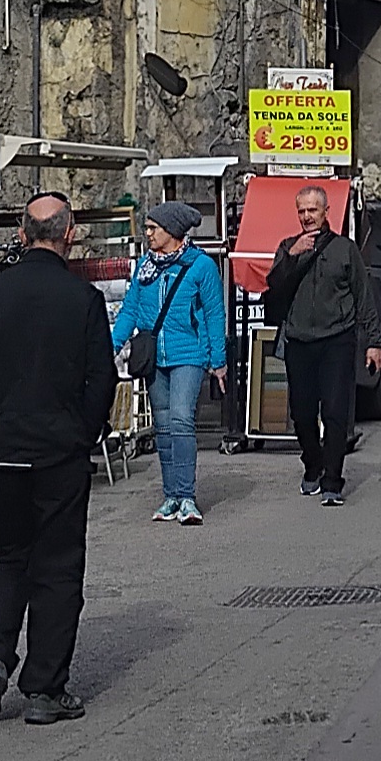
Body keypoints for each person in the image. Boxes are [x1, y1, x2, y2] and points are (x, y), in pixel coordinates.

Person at [0, 192, 116, 725]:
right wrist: (82, 433)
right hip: (58, 452)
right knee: (57, 566)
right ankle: (45, 688)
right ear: (69, 234)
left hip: (3, 450)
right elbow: (101, 378)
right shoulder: (82, 299)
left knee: (6, 558)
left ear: (22, 234)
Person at [262, 184, 381, 507]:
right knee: (302, 413)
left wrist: (374, 343)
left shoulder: (345, 249)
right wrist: (292, 256)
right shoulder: (287, 247)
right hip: (299, 341)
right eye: (301, 211)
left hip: (337, 340)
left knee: (334, 411)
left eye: (312, 210)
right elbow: (273, 287)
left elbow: (364, 298)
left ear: (326, 212)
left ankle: (332, 480)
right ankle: (313, 464)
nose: (306, 217)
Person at [111, 199, 227, 524]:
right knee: (162, 427)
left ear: (173, 231)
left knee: (180, 421)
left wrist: (218, 360)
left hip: (188, 354)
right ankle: (171, 496)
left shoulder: (201, 266)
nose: (147, 233)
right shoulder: (145, 267)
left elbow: (215, 314)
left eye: (153, 228)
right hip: (154, 358)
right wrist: (111, 345)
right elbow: (130, 309)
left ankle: (187, 497)